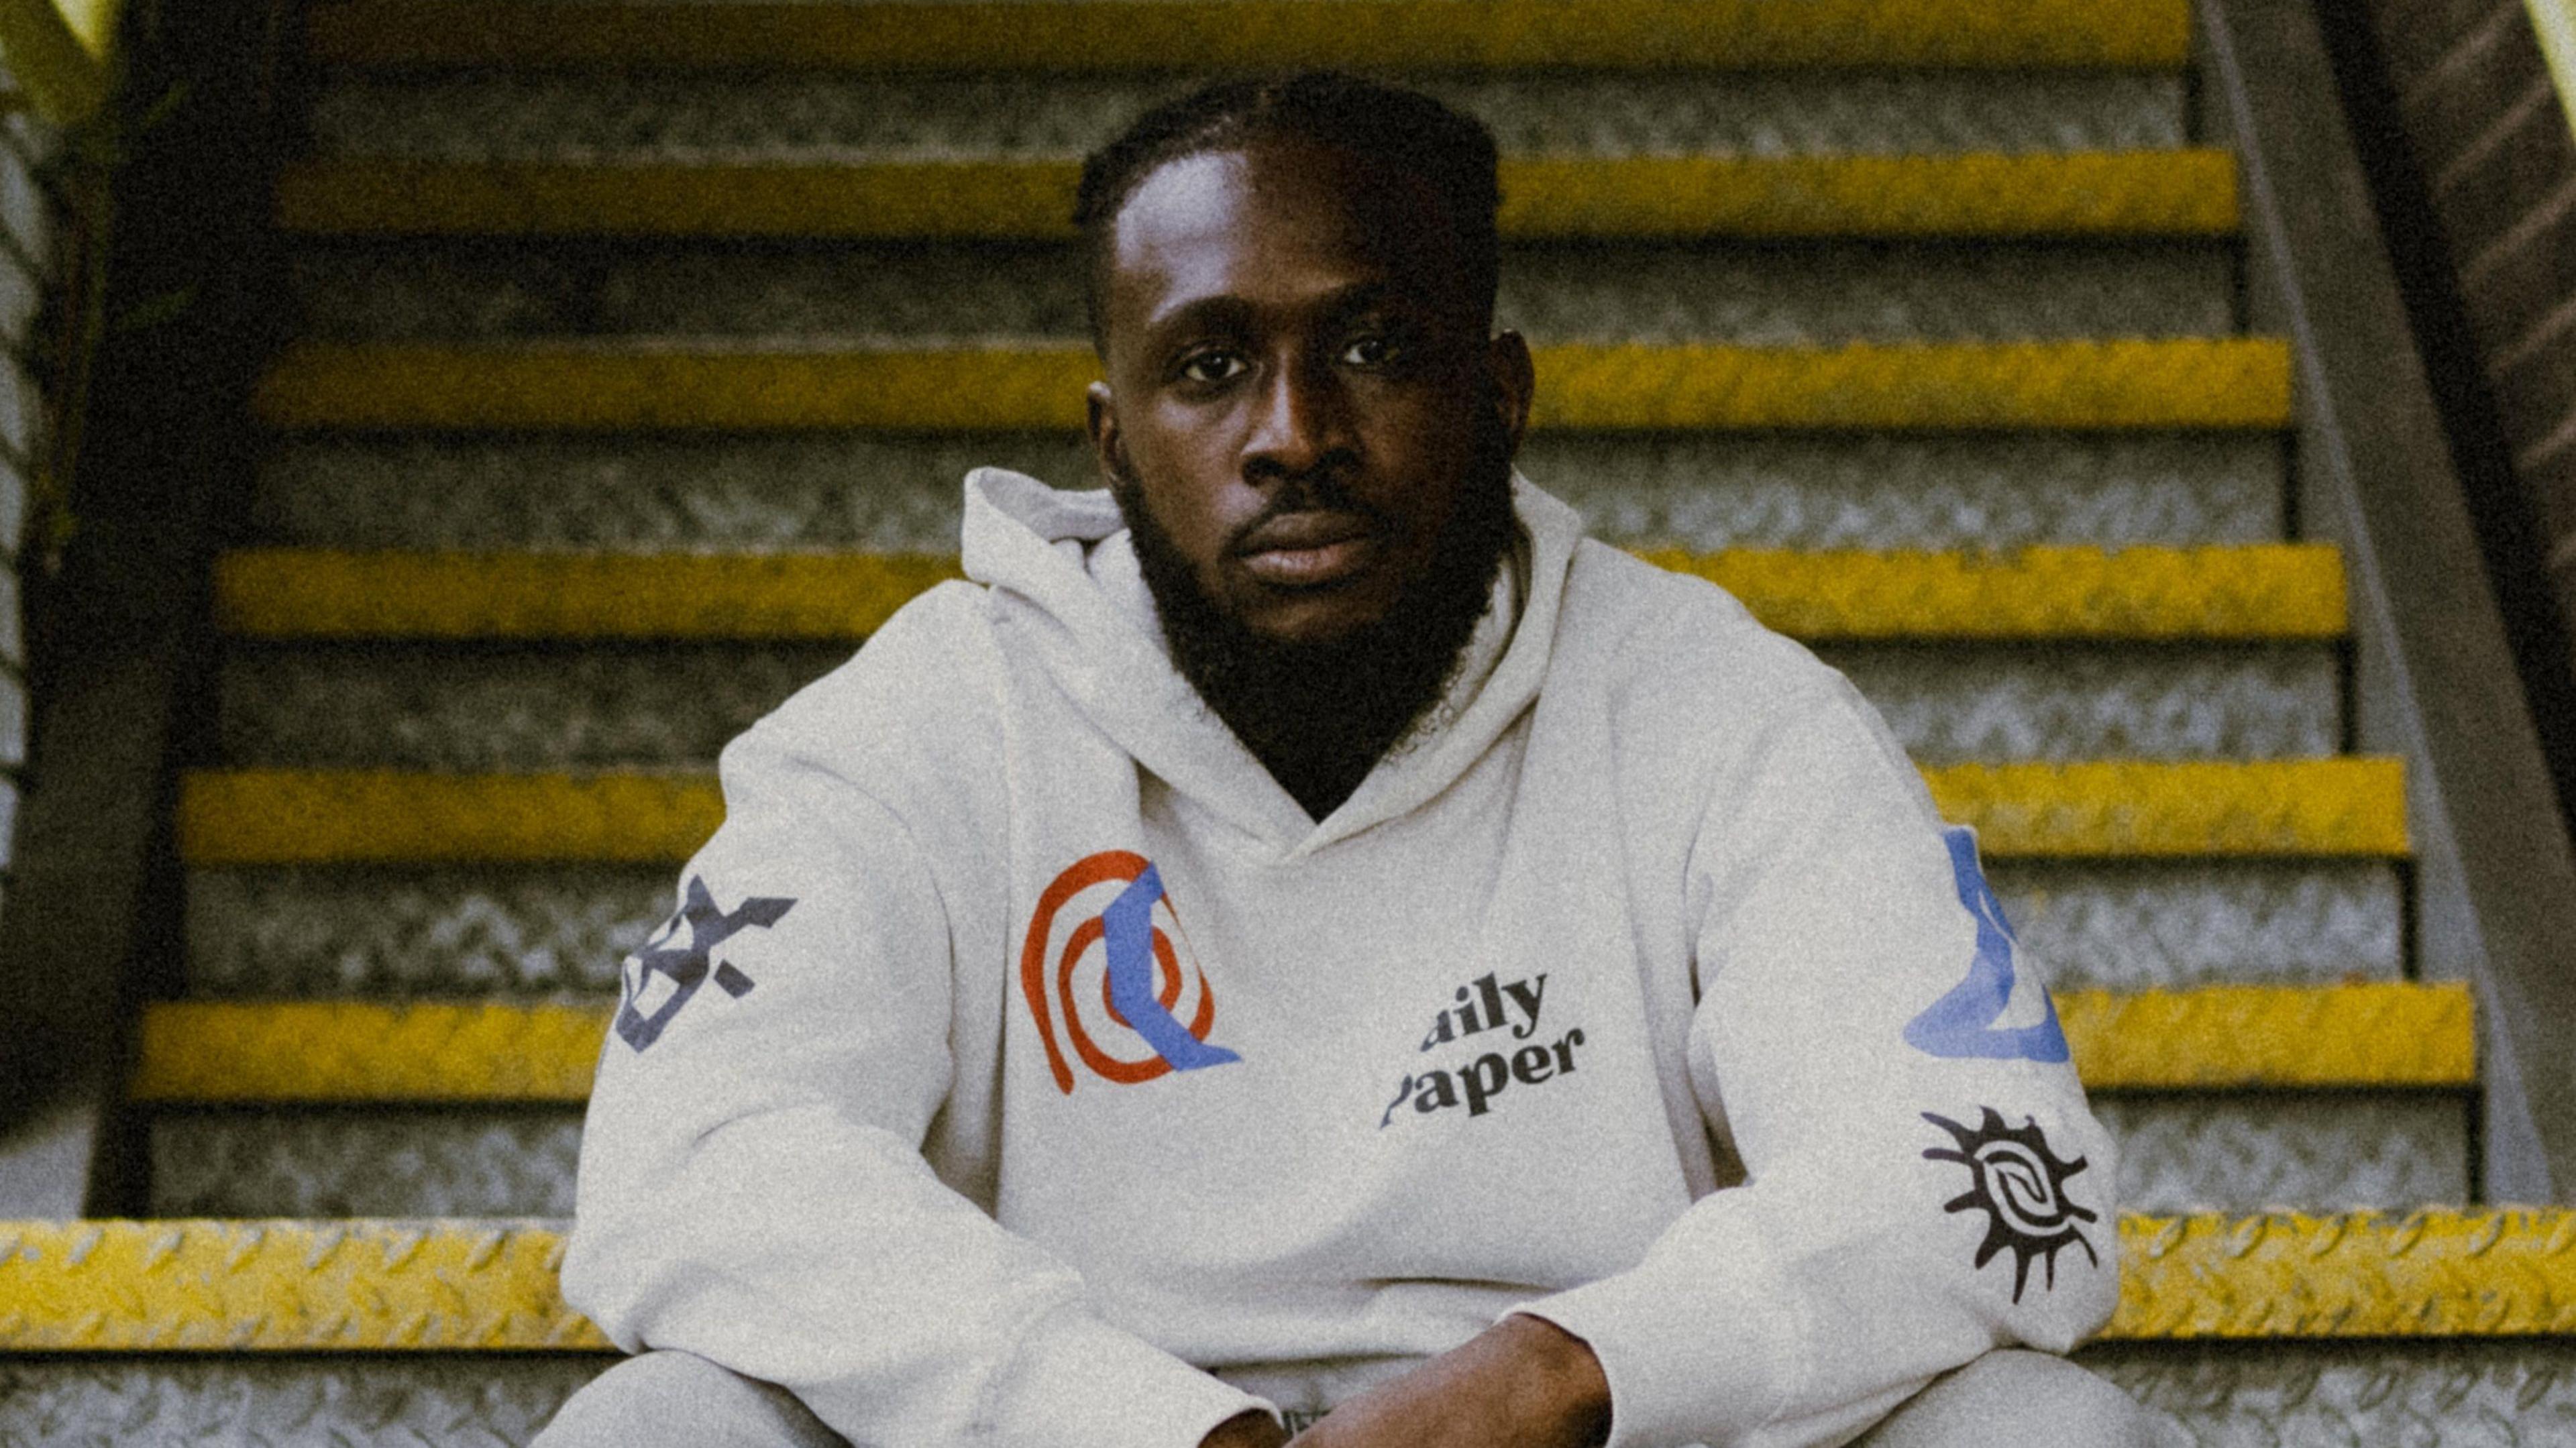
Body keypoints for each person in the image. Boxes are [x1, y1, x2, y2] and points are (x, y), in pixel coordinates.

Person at [535, 72, 2176, 1448]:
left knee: (2050, 1434)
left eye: (1376, 349)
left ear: (1503, 392)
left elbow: (1996, 1178)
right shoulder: (918, 731)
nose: (1295, 434)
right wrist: (1165, 1428)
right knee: (655, 1431)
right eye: (1209, 364)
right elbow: (697, 1166)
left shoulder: (1724, 714)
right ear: (1113, 442)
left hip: (1586, 1443)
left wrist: (1565, 1371)